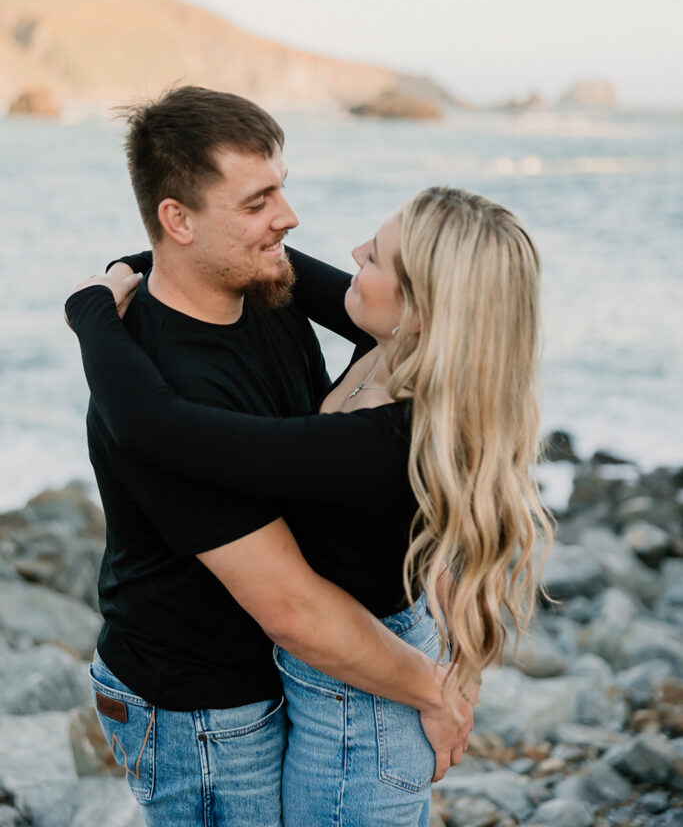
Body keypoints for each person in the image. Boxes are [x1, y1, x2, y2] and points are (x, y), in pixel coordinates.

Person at [67, 177, 554, 826]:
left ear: (423, 308)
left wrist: (90, 310)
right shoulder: (393, 345)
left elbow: (154, 427)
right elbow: (245, 256)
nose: (352, 253)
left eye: (376, 257)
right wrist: (135, 262)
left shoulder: (381, 442)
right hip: (353, 680)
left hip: (359, 707)